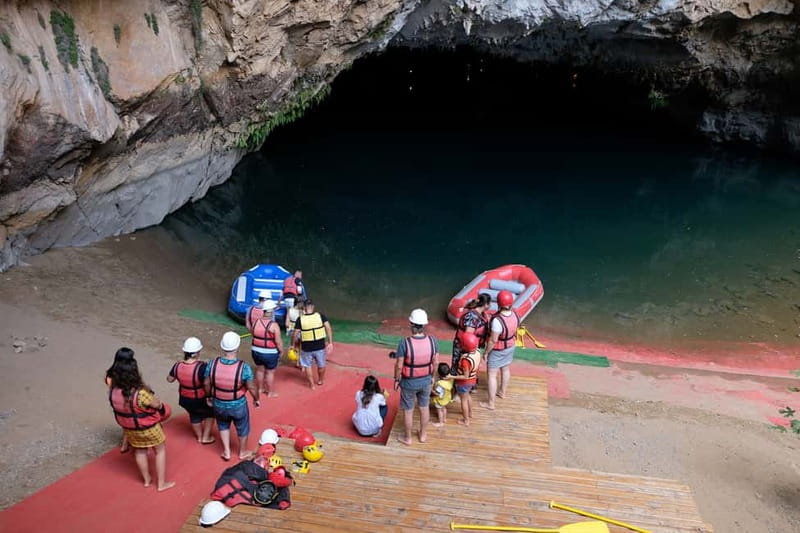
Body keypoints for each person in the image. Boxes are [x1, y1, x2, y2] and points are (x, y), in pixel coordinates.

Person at [107, 347, 175, 492]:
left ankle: (146, 480)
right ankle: (161, 484)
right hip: (149, 429)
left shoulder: (113, 391)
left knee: (140, 451)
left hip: (130, 429)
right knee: (160, 451)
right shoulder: (140, 394)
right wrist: (162, 406)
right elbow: (156, 405)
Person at [205, 331, 260, 461]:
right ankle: (242, 452)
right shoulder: (243, 367)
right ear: (237, 347)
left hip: (218, 403)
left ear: (222, 347)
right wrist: (256, 399)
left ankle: (227, 451)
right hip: (238, 404)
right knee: (242, 427)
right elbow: (252, 387)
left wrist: (209, 396)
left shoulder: (212, 364)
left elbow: (206, 383)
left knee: (222, 424)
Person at [391, 308, 438, 445]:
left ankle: (408, 438)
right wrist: (433, 377)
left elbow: (399, 365)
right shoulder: (433, 341)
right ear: (424, 325)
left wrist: (396, 379)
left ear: (411, 324)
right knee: (424, 407)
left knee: (408, 410)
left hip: (409, 382)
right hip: (426, 380)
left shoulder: (404, 343)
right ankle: (423, 435)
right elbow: (436, 362)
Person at [166, 337, 215, 444]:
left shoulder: (177, 365)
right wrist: (209, 396)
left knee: (194, 415)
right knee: (211, 413)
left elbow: (169, 379)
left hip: (185, 398)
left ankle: (199, 437)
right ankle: (206, 437)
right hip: (199, 398)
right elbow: (207, 383)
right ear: (197, 353)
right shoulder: (202, 366)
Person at [480, 290, 519, 411]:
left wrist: (486, 352)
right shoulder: (515, 315)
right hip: (510, 346)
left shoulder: (497, 321)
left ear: (498, 303)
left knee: (492, 375)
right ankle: (502, 392)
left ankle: (491, 403)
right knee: (505, 369)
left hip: (498, 349)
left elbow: (493, 340)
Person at [292, 299, 333, 389]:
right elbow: (328, 328)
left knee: (307, 366)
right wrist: (330, 342)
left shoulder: (300, 319)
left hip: (306, 347)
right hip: (320, 346)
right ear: (313, 307)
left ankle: (312, 385)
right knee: (321, 365)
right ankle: (320, 380)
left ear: (304, 308)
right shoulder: (320, 316)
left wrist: (293, 345)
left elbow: (295, 334)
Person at [249, 300, 283, 398]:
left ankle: (260, 389)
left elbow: (253, 333)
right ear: (271, 311)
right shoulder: (274, 325)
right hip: (270, 353)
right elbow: (278, 342)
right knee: (269, 372)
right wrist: (281, 351)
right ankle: (270, 393)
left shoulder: (255, 322)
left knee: (260, 370)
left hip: (256, 351)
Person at [451, 293, 491, 377]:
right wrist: (470, 350)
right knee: (460, 367)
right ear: (486, 305)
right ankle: (456, 381)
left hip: (473, 346)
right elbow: (468, 335)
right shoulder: (472, 316)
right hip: (465, 346)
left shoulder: (482, 314)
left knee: (472, 366)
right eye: (489, 303)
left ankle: (471, 381)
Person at [451, 331, 482, 425]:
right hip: (473, 380)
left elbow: (465, 376)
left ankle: (466, 420)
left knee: (463, 400)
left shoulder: (466, 360)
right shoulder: (477, 352)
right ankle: (470, 413)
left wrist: (451, 376)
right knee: (468, 396)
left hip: (464, 382)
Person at [430, 363, 454, 427]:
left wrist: (431, 390)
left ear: (439, 374)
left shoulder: (440, 384)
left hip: (440, 400)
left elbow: (437, 394)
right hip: (446, 399)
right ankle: (444, 419)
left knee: (439, 410)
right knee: (444, 408)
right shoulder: (450, 380)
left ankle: (440, 423)